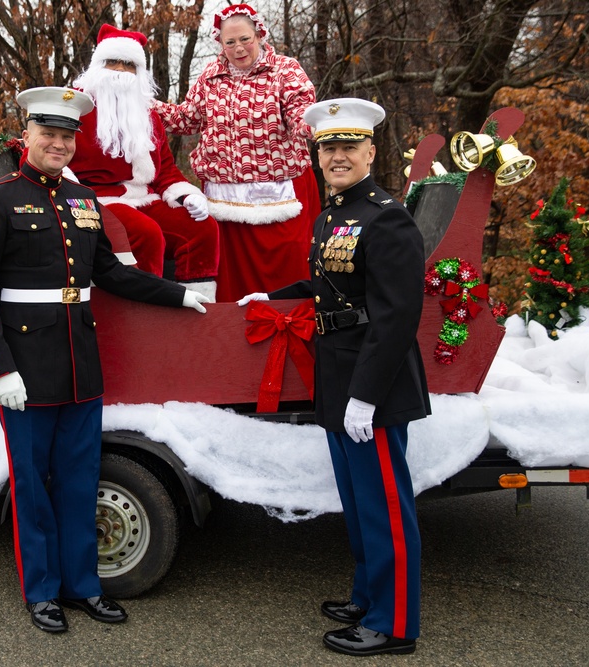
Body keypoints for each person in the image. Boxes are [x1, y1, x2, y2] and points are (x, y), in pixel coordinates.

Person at [0, 86, 210, 634]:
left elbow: (112, 274)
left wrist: (176, 293)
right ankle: (43, 592)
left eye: (67, 136)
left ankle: (84, 586)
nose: (58, 144)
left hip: (80, 365)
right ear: (26, 136)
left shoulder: (83, 202)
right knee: (33, 484)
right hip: (23, 370)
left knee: (80, 480)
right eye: (47, 133)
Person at [239, 98, 430, 656]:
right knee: (359, 499)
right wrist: (269, 299)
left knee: (387, 506)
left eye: (350, 146)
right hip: (339, 371)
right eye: (329, 147)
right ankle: (368, 595)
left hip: (376, 382)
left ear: (371, 150)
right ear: (318, 155)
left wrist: (366, 397)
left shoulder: (386, 216)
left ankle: (394, 624)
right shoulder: (333, 215)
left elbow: (397, 316)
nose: (338, 155)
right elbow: (328, 292)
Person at [153, 3, 321, 303]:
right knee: (232, 287)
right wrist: (142, 104)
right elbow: (186, 118)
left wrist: (315, 125)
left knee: (291, 274)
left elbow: (300, 111)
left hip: (282, 197)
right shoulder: (210, 76)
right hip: (225, 202)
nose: (238, 48)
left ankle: (297, 339)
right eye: (230, 42)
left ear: (259, 35)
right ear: (221, 43)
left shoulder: (285, 70)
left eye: (245, 39)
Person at [70, 23, 219, 300]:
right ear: (97, 66)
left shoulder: (148, 115)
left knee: (201, 228)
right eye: (111, 62)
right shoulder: (76, 108)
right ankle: (147, 311)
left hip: (145, 199)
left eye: (129, 65)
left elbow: (166, 171)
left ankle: (199, 307)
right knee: (146, 234)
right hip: (97, 200)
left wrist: (187, 195)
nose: (120, 71)